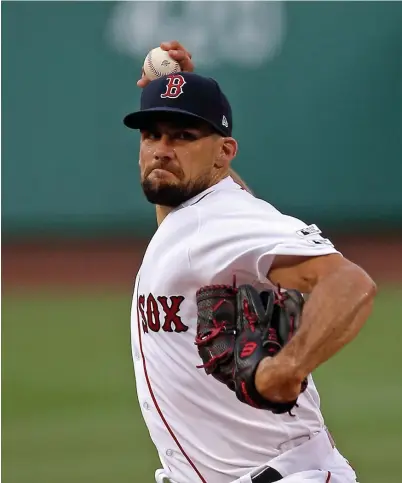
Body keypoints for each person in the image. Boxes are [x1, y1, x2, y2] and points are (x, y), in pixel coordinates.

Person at [124, 40, 377, 483]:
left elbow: (350, 284)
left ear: (225, 152)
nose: (162, 149)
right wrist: (176, 88)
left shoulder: (223, 220)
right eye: (152, 135)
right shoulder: (195, 215)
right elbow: (182, 201)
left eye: (183, 136)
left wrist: (286, 367)